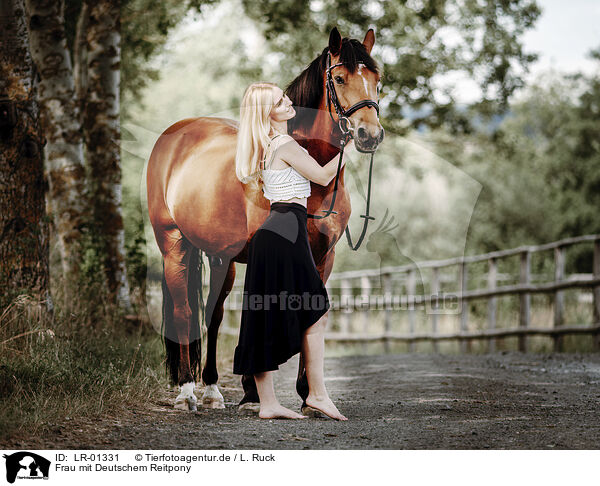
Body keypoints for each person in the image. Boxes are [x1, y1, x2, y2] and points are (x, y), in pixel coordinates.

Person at [234, 82, 357, 420]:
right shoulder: (284, 144)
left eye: (285, 97)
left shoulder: (268, 144)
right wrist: (347, 146)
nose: (288, 102)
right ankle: (316, 394)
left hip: (277, 231)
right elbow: (320, 176)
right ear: (267, 113)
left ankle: (271, 403)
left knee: (266, 315)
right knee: (316, 309)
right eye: (279, 101)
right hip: (286, 230)